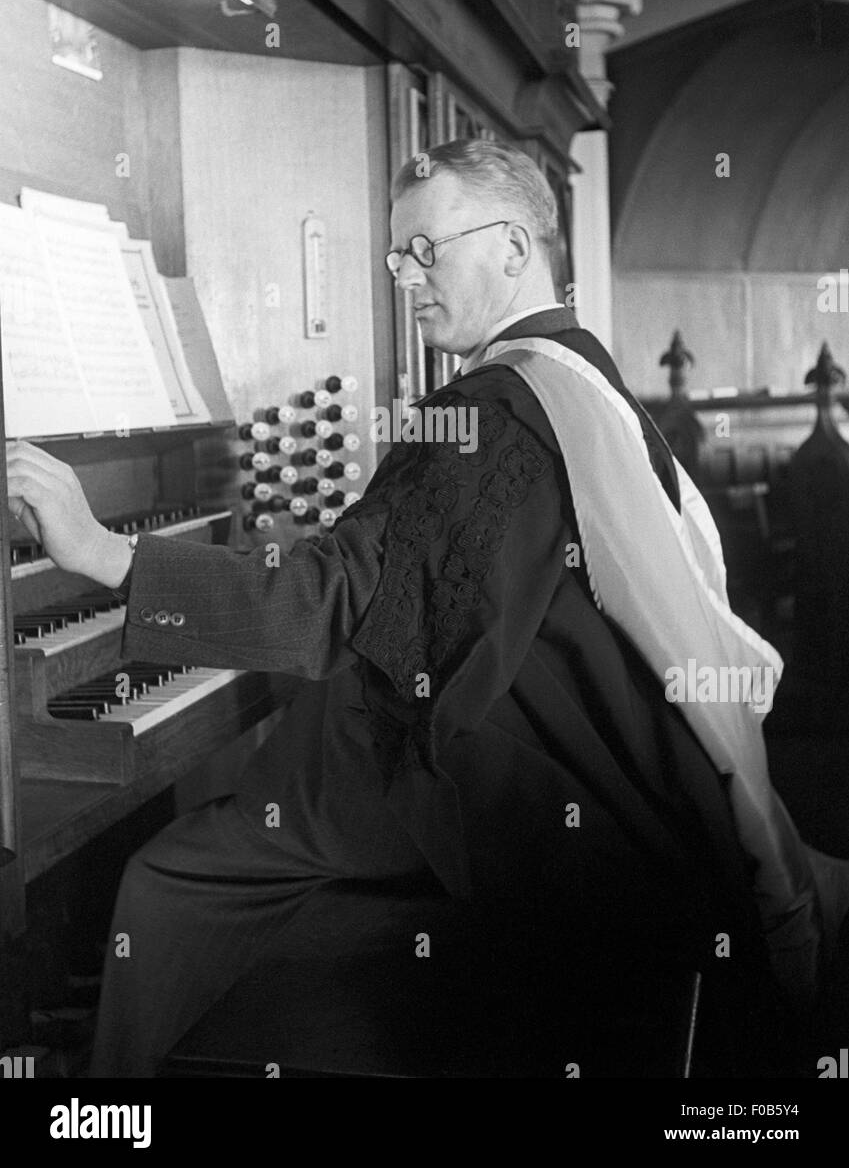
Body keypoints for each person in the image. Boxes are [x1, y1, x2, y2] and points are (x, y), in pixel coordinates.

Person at [6, 139, 848, 1078]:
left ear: (515, 250)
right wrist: (322, 551)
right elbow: (424, 565)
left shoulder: (494, 408)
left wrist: (105, 554)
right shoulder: (575, 370)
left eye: (425, 251)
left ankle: (110, 1103)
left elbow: (328, 604)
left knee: (171, 874)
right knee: (300, 758)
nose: (406, 276)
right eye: (396, 256)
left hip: (537, 792)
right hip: (602, 761)